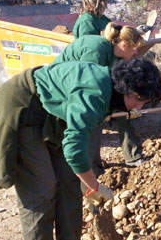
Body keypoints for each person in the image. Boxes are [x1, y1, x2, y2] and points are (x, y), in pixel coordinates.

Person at [0, 58, 161, 240]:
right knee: (42, 189)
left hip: (50, 116)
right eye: (140, 100)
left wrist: (86, 181)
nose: (139, 107)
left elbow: (79, 144)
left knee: (70, 182)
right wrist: (95, 185)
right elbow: (74, 149)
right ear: (128, 90)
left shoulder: (110, 91)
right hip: (22, 109)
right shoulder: (96, 92)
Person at [53, 22, 146, 171]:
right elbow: (86, 84)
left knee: (123, 111)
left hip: (87, 86)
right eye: (134, 48)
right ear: (123, 44)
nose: (136, 52)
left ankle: (133, 157)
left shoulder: (119, 56)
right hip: (64, 88)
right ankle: (89, 168)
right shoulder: (96, 49)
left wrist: (131, 104)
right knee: (93, 120)